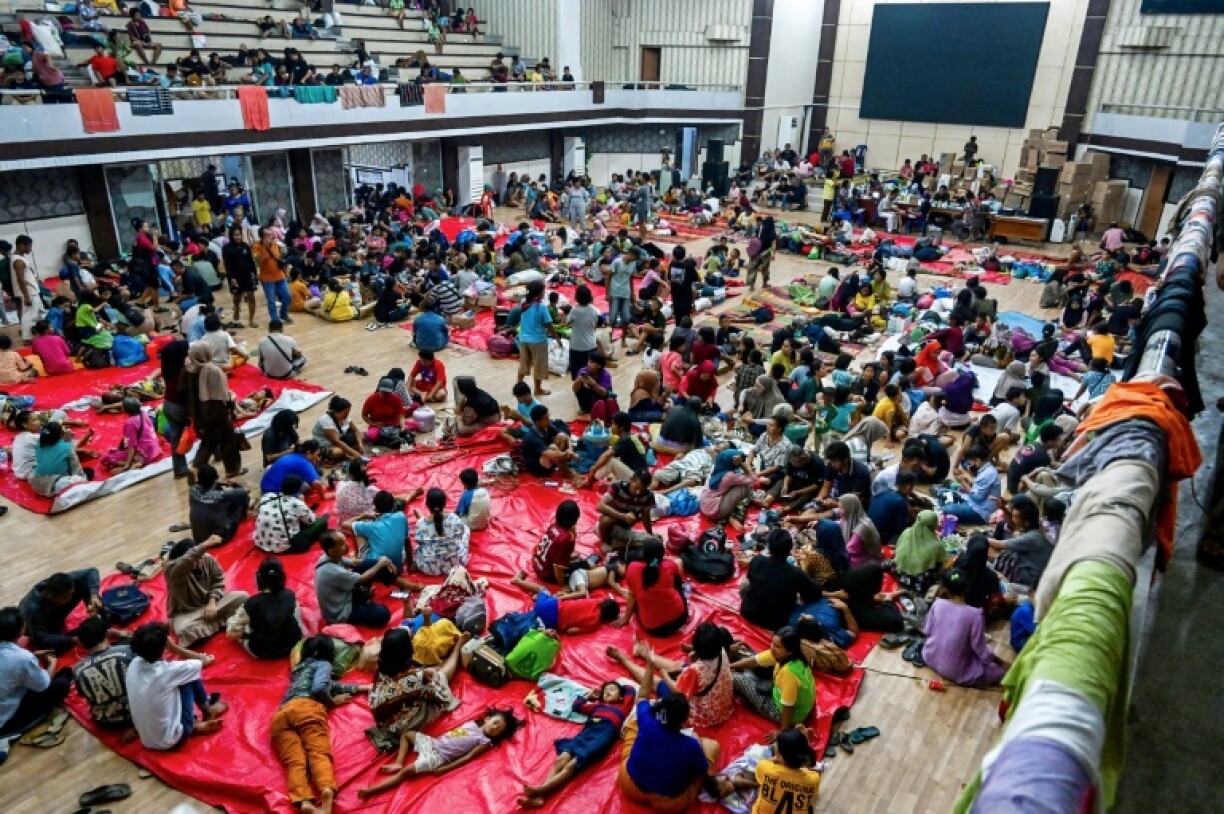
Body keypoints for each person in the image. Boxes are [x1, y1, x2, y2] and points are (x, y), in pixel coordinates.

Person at [272, 635, 367, 814]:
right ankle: (325, 791)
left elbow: (330, 684)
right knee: (318, 753)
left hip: (281, 715)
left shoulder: (298, 669)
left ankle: (303, 801)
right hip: (307, 709)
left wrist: (362, 688)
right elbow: (319, 688)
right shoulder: (324, 664)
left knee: (295, 761)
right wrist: (332, 702)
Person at [618, 653, 719, 812]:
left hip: (629, 785)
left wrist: (651, 667)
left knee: (634, 723)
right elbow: (701, 771)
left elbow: (642, 696)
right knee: (712, 747)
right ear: (684, 719)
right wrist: (697, 742)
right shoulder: (691, 745)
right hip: (669, 804)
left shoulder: (648, 722)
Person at [518, 678, 637, 808]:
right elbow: (577, 706)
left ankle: (541, 790)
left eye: (612, 690)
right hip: (585, 734)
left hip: (600, 738)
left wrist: (615, 683)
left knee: (571, 766)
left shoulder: (623, 706)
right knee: (561, 759)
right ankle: (539, 797)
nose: (608, 692)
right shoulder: (597, 706)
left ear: (621, 697)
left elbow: (630, 689)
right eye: (605, 691)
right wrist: (589, 695)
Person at [358, 707, 520, 799]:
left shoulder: (485, 742)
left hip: (438, 757)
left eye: (498, 730)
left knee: (406, 772)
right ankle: (398, 762)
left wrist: (445, 768)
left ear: (498, 735)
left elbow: (468, 757)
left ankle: (372, 791)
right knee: (406, 735)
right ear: (488, 719)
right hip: (433, 743)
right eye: (495, 723)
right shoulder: (472, 724)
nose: (494, 728)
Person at [125, 622, 228, 751]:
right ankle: (207, 710)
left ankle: (194, 724)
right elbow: (204, 661)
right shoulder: (168, 671)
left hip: (146, 740)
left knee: (181, 676)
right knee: (188, 677)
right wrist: (174, 648)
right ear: (164, 645)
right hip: (172, 742)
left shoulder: (134, 664)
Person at [0, 606, 72, 741]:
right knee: (62, 683)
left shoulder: (20, 657)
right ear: (21, 629)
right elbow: (43, 685)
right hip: (5, 717)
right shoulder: (22, 658)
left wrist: (31, 657)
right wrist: (52, 663)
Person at [922, 572, 1007, 686]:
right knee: (1000, 672)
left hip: (929, 657)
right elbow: (981, 650)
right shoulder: (975, 614)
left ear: (945, 588)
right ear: (966, 588)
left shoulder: (937, 604)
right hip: (955, 671)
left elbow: (927, 631)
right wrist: (1001, 663)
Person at [164, 535, 249, 648]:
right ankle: (224, 621)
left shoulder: (206, 558)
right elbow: (185, 562)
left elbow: (218, 580)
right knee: (183, 629)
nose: (200, 561)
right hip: (188, 614)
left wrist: (212, 602)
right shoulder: (173, 572)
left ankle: (210, 626)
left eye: (201, 557)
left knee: (243, 597)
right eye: (195, 559)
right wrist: (205, 544)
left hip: (214, 606)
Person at [729, 625, 815, 734]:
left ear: (789, 651)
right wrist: (730, 667)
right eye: (772, 643)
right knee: (745, 657)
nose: (771, 648)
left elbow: (788, 708)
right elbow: (755, 661)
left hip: (787, 715)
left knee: (736, 678)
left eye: (777, 646)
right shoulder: (794, 657)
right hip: (780, 693)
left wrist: (782, 732)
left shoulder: (789, 673)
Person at [741, 529, 824, 632]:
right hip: (774, 623)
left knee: (747, 582)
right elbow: (814, 594)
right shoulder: (796, 573)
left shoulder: (757, 561)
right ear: (790, 549)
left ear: (769, 547)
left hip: (749, 612)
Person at [184, 342, 245, 479]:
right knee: (228, 439)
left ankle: (196, 467)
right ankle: (232, 469)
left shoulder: (189, 369)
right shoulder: (213, 370)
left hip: (198, 411)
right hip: (216, 409)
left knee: (209, 440)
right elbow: (222, 394)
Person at [314, 531, 395, 627]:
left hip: (345, 595)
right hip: (341, 613)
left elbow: (354, 562)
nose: (347, 544)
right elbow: (363, 579)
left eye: (345, 541)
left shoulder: (331, 556)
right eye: (342, 544)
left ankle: (392, 579)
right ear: (332, 550)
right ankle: (365, 600)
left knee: (370, 564)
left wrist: (379, 561)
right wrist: (380, 563)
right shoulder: (332, 571)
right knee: (383, 614)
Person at [228, 558, 303, 660]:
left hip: (263, 651)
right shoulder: (290, 594)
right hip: (292, 643)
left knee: (231, 622)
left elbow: (231, 633)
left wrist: (246, 635)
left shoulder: (251, 604)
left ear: (259, 578)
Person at [18, 568, 101, 655]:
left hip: (53, 610)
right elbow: (40, 638)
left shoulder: (65, 582)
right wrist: (73, 640)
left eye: (70, 595)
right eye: (65, 597)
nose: (70, 599)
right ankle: (81, 633)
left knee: (84, 585)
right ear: (51, 596)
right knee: (57, 650)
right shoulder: (33, 609)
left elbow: (92, 571)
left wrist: (94, 596)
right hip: (38, 626)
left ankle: (102, 619)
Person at [615, 538, 687, 636]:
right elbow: (679, 563)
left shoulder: (632, 568)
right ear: (662, 555)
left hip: (654, 629)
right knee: (677, 580)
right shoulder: (670, 566)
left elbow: (632, 596)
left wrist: (626, 618)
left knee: (638, 594)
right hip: (679, 619)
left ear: (643, 553)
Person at [990, 495, 1053, 590]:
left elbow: (998, 544)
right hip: (1035, 567)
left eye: (1015, 517)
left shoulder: (1032, 537)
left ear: (1026, 522)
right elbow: (1014, 525)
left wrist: (978, 538)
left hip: (1032, 576)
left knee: (996, 553)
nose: (1013, 519)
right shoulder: (1034, 526)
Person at [255, 475, 331, 554]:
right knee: (321, 523)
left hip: (261, 543)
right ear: (298, 489)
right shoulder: (296, 503)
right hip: (283, 547)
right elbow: (311, 521)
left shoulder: (267, 496)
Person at [413, 488, 471, 575]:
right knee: (466, 529)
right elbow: (461, 532)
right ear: (444, 503)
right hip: (456, 564)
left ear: (427, 504)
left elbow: (419, 542)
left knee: (418, 547)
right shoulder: (454, 518)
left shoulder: (421, 524)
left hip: (429, 568)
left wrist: (421, 519)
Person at [188, 464, 251, 544]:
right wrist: (235, 483)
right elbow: (247, 490)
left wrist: (222, 483)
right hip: (219, 538)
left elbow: (202, 482)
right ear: (213, 480)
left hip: (199, 537)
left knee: (219, 492)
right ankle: (243, 516)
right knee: (242, 497)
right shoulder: (221, 495)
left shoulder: (193, 490)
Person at [596, 470, 655, 551]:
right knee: (608, 519)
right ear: (631, 480)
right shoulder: (618, 487)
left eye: (642, 490)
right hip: (606, 528)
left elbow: (646, 515)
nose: (638, 492)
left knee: (654, 542)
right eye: (636, 487)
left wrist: (650, 534)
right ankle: (605, 541)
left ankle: (619, 544)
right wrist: (623, 517)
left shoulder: (648, 495)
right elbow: (599, 506)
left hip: (625, 530)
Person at [944, 445, 1001, 525]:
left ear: (977, 460)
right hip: (973, 503)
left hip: (980, 512)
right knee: (946, 491)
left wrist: (963, 482)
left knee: (948, 509)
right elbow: (980, 488)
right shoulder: (987, 469)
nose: (969, 465)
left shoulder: (988, 474)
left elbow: (977, 497)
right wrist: (968, 483)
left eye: (970, 462)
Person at [700, 449, 758, 527]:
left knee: (736, 484)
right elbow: (753, 480)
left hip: (704, 506)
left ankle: (730, 514)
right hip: (714, 511)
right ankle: (733, 515)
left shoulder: (717, 468)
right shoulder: (729, 476)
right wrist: (747, 467)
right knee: (746, 486)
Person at [892, 509, 945, 594]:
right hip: (918, 580)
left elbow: (897, 548)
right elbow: (943, 562)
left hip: (899, 571)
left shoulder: (907, 532)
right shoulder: (936, 546)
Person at [531, 499, 582, 584]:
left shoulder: (554, 526)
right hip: (547, 574)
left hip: (537, 565)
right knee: (583, 565)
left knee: (575, 559)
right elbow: (557, 567)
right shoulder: (567, 538)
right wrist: (562, 585)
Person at [520, 405, 577, 479]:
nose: (549, 420)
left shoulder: (547, 427)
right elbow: (550, 454)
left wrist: (570, 449)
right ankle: (568, 472)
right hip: (537, 467)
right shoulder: (532, 437)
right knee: (553, 448)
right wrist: (569, 455)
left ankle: (562, 467)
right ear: (538, 422)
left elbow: (565, 435)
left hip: (547, 457)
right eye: (546, 419)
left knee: (562, 436)